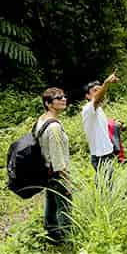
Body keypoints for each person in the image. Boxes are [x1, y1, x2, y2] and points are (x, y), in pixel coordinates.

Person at [37, 87, 71, 244]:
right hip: (56, 172)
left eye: (64, 96)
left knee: (51, 202)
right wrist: (67, 181)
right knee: (65, 206)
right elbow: (58, 160)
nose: (64, 99)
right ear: (48, 104)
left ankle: (51, 233)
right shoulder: (54, 127)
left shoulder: (41, 120)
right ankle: (67, 238)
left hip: (46, 171)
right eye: (59, 98)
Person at [82, 70, 119, 185]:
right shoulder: (88, 108)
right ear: (87, 96)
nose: (99, 92)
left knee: (106, 184)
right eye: (95, 91)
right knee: (107, 187)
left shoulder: (98, 109)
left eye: (100, 89)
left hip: (106, 153)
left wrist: (115, 124)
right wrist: (106, 83)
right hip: (100, 156)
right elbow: (97, 99)